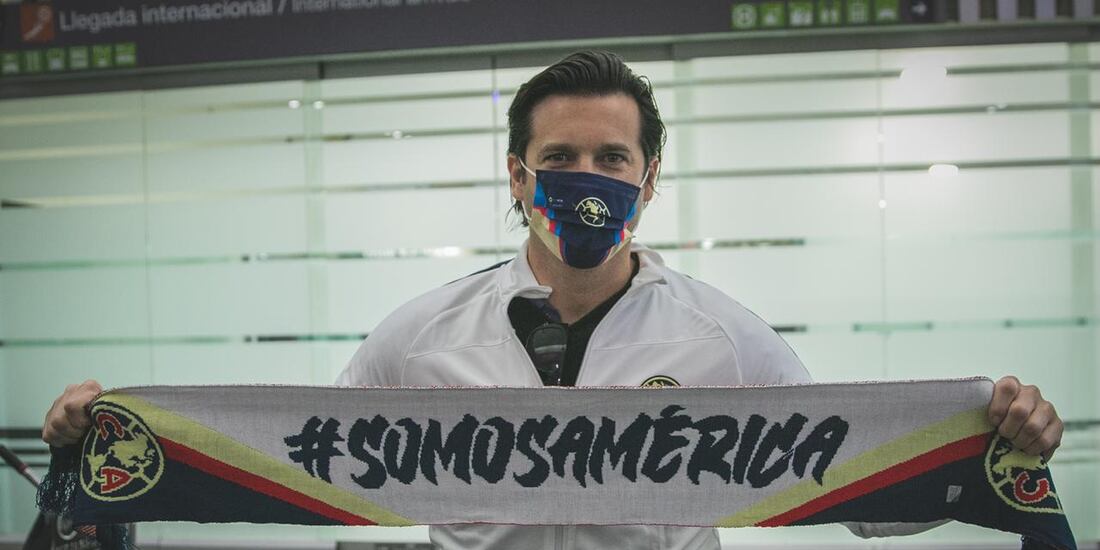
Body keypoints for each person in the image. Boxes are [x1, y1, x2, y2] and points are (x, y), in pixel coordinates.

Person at [43, 51, 1064, 549]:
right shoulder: (417, 335)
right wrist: (121, 438)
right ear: (517, 176)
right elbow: (309, 461)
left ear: (650, 178)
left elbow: (849, 486)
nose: (586, 179)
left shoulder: (726, 338)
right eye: (558, 157)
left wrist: (993, 436)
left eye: (611, 158)